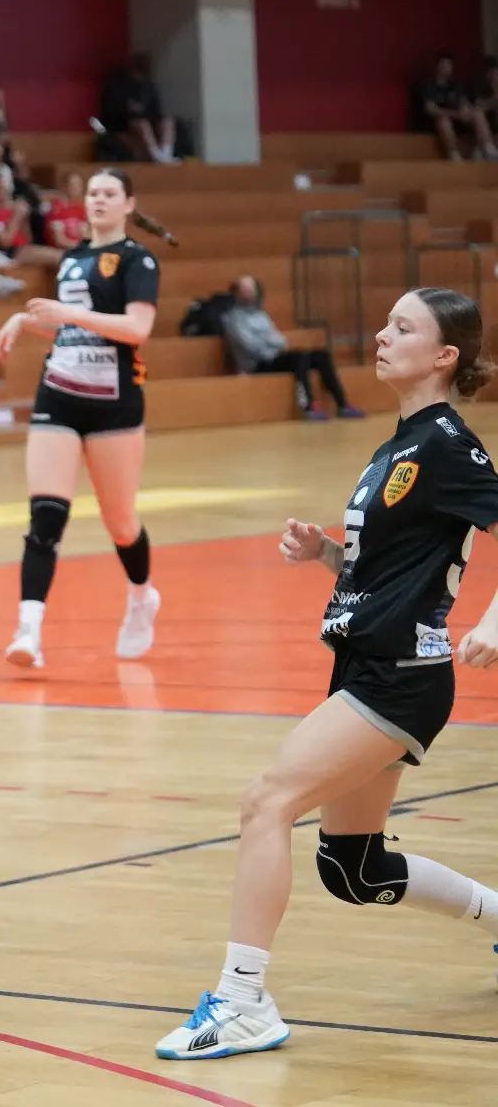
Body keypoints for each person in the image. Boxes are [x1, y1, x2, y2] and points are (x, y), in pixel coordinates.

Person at [156, 288, 498, 1060]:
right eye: (386, 323)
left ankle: (243, 1002)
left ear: (444, 356)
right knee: (354, 869)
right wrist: (327, 556)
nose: (382, 334)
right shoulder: (396, 449)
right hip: (367, 665)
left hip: (400, 674)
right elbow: (396, 570)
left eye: (403, 327)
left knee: (266, 802)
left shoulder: (449, 444)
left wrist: (493, 623)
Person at [0, 169, 171, 670]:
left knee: (121, 523)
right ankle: (28, 631)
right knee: (47, 514)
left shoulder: (138, 260)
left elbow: (136, 328)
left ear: (129, 203)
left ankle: (141, 597)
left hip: (114, 403)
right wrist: (25, 320)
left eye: (110, 193)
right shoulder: (72, 258)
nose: (99, 200)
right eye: (93, 193)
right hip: (59, 394)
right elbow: (71, 331)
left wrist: (68, 316)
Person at [221, 275, 365, 420]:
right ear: (237, 292)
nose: (250, 292)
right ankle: (308, 407)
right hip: (257, 364)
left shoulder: (261, 314)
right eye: (245, 289)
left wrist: (268, 341)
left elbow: (281, 341)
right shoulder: (233, 318)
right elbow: (250, 345)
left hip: (274, 356)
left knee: (321, 355)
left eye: (251, 288)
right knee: (299, 357)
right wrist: (269, 341)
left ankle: (342, 404)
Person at [416, 54, 494, 161]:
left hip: (458, 118)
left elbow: (463, 102)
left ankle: (487, 148)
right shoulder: (430, 85)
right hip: (439, 122)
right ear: (438, 66)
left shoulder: (455, 85)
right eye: (445, 64)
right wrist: (456, 114)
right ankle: (454, 154)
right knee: (443, 120)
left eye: (450, 65)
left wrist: (466, 109)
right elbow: (431, 109)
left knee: (477, 112)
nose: (448, 68)